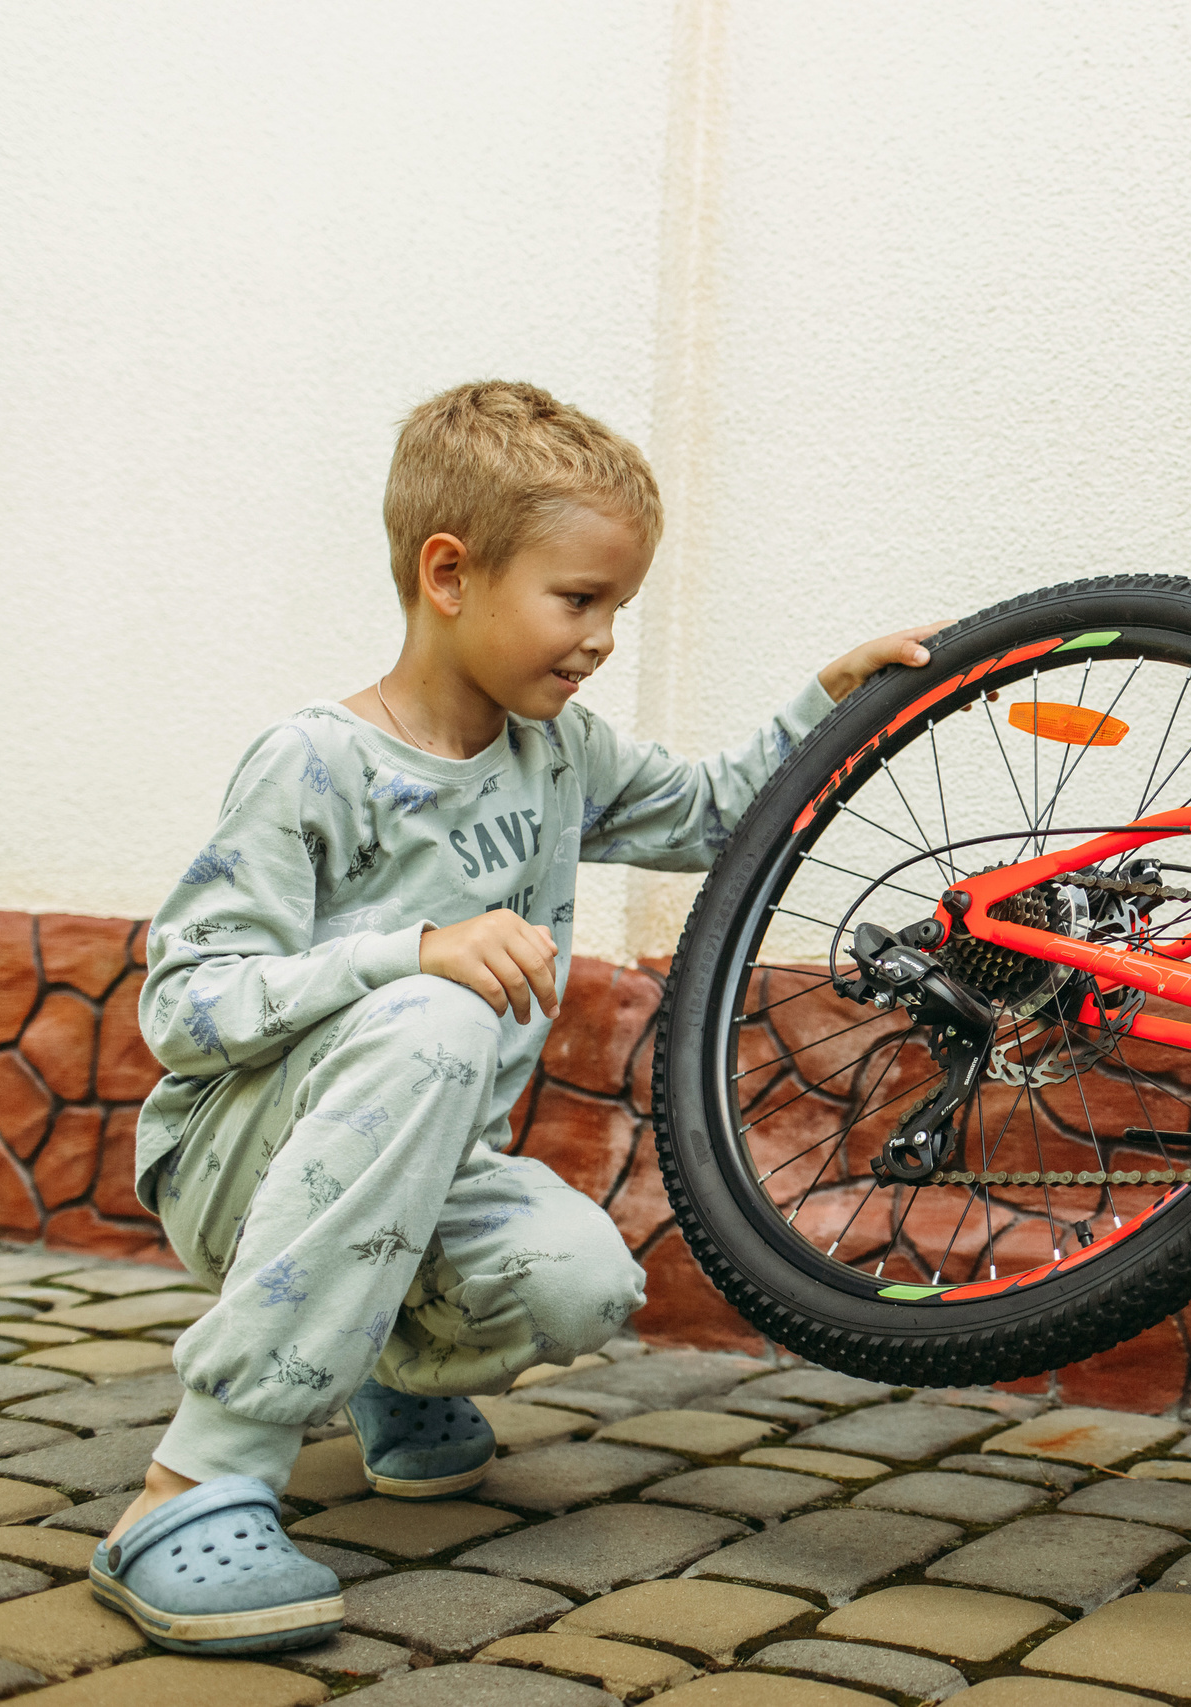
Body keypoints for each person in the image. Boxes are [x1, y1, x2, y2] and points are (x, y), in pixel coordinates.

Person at [100, 380, 940, 1653]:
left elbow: (714, 813)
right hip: (236, 1164)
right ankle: (189, 1489)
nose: (603, 637)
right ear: (450, 573)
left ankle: (380, 1368)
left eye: (619, 606)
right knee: (433, 1016)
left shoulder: (556, 754)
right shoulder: (316, 764)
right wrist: (407, 957)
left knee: (583, 1285)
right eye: (579, 599)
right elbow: (187, 1005)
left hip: (420, 1172)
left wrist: (828, 703)